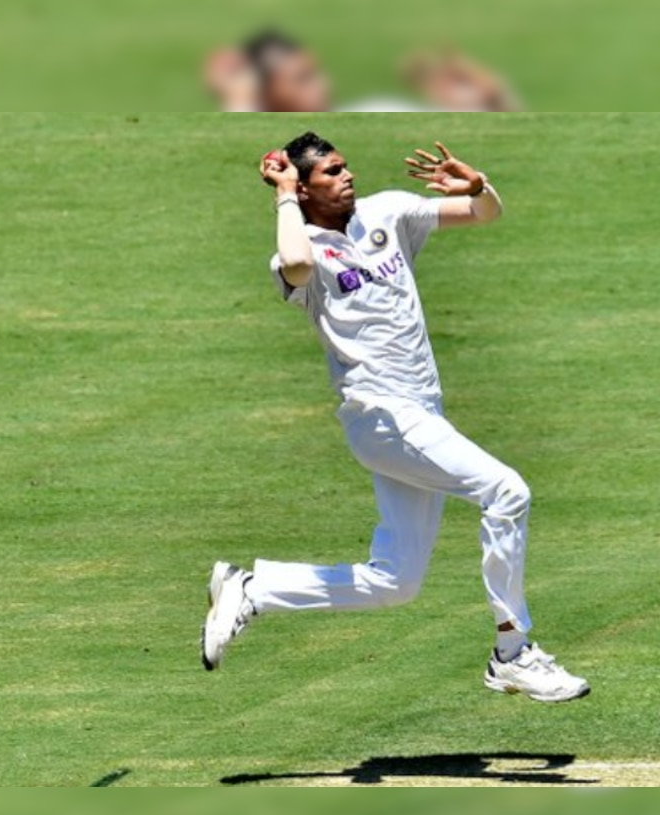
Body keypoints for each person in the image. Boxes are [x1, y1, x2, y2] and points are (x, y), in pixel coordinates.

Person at [200, 132, 588, 703]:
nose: (347, 176)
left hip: (420, 413)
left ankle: (256, 588)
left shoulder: (387, 212)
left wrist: (479, 186)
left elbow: (483, 214)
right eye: (330, 173)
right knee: (507, 492)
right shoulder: (298, 243)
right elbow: (300, 264)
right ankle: (512, 651)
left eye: (345, 166)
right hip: (381, 415)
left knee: (395, 583)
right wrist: (283, 196)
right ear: (303, 189)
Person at [203, 30, 520, 112]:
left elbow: (503, 124)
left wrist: (489, 94)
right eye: (303, 79)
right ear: (267, 93)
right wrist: (238, 96)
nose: (324, 85)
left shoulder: (379, 109)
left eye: (315, 73)